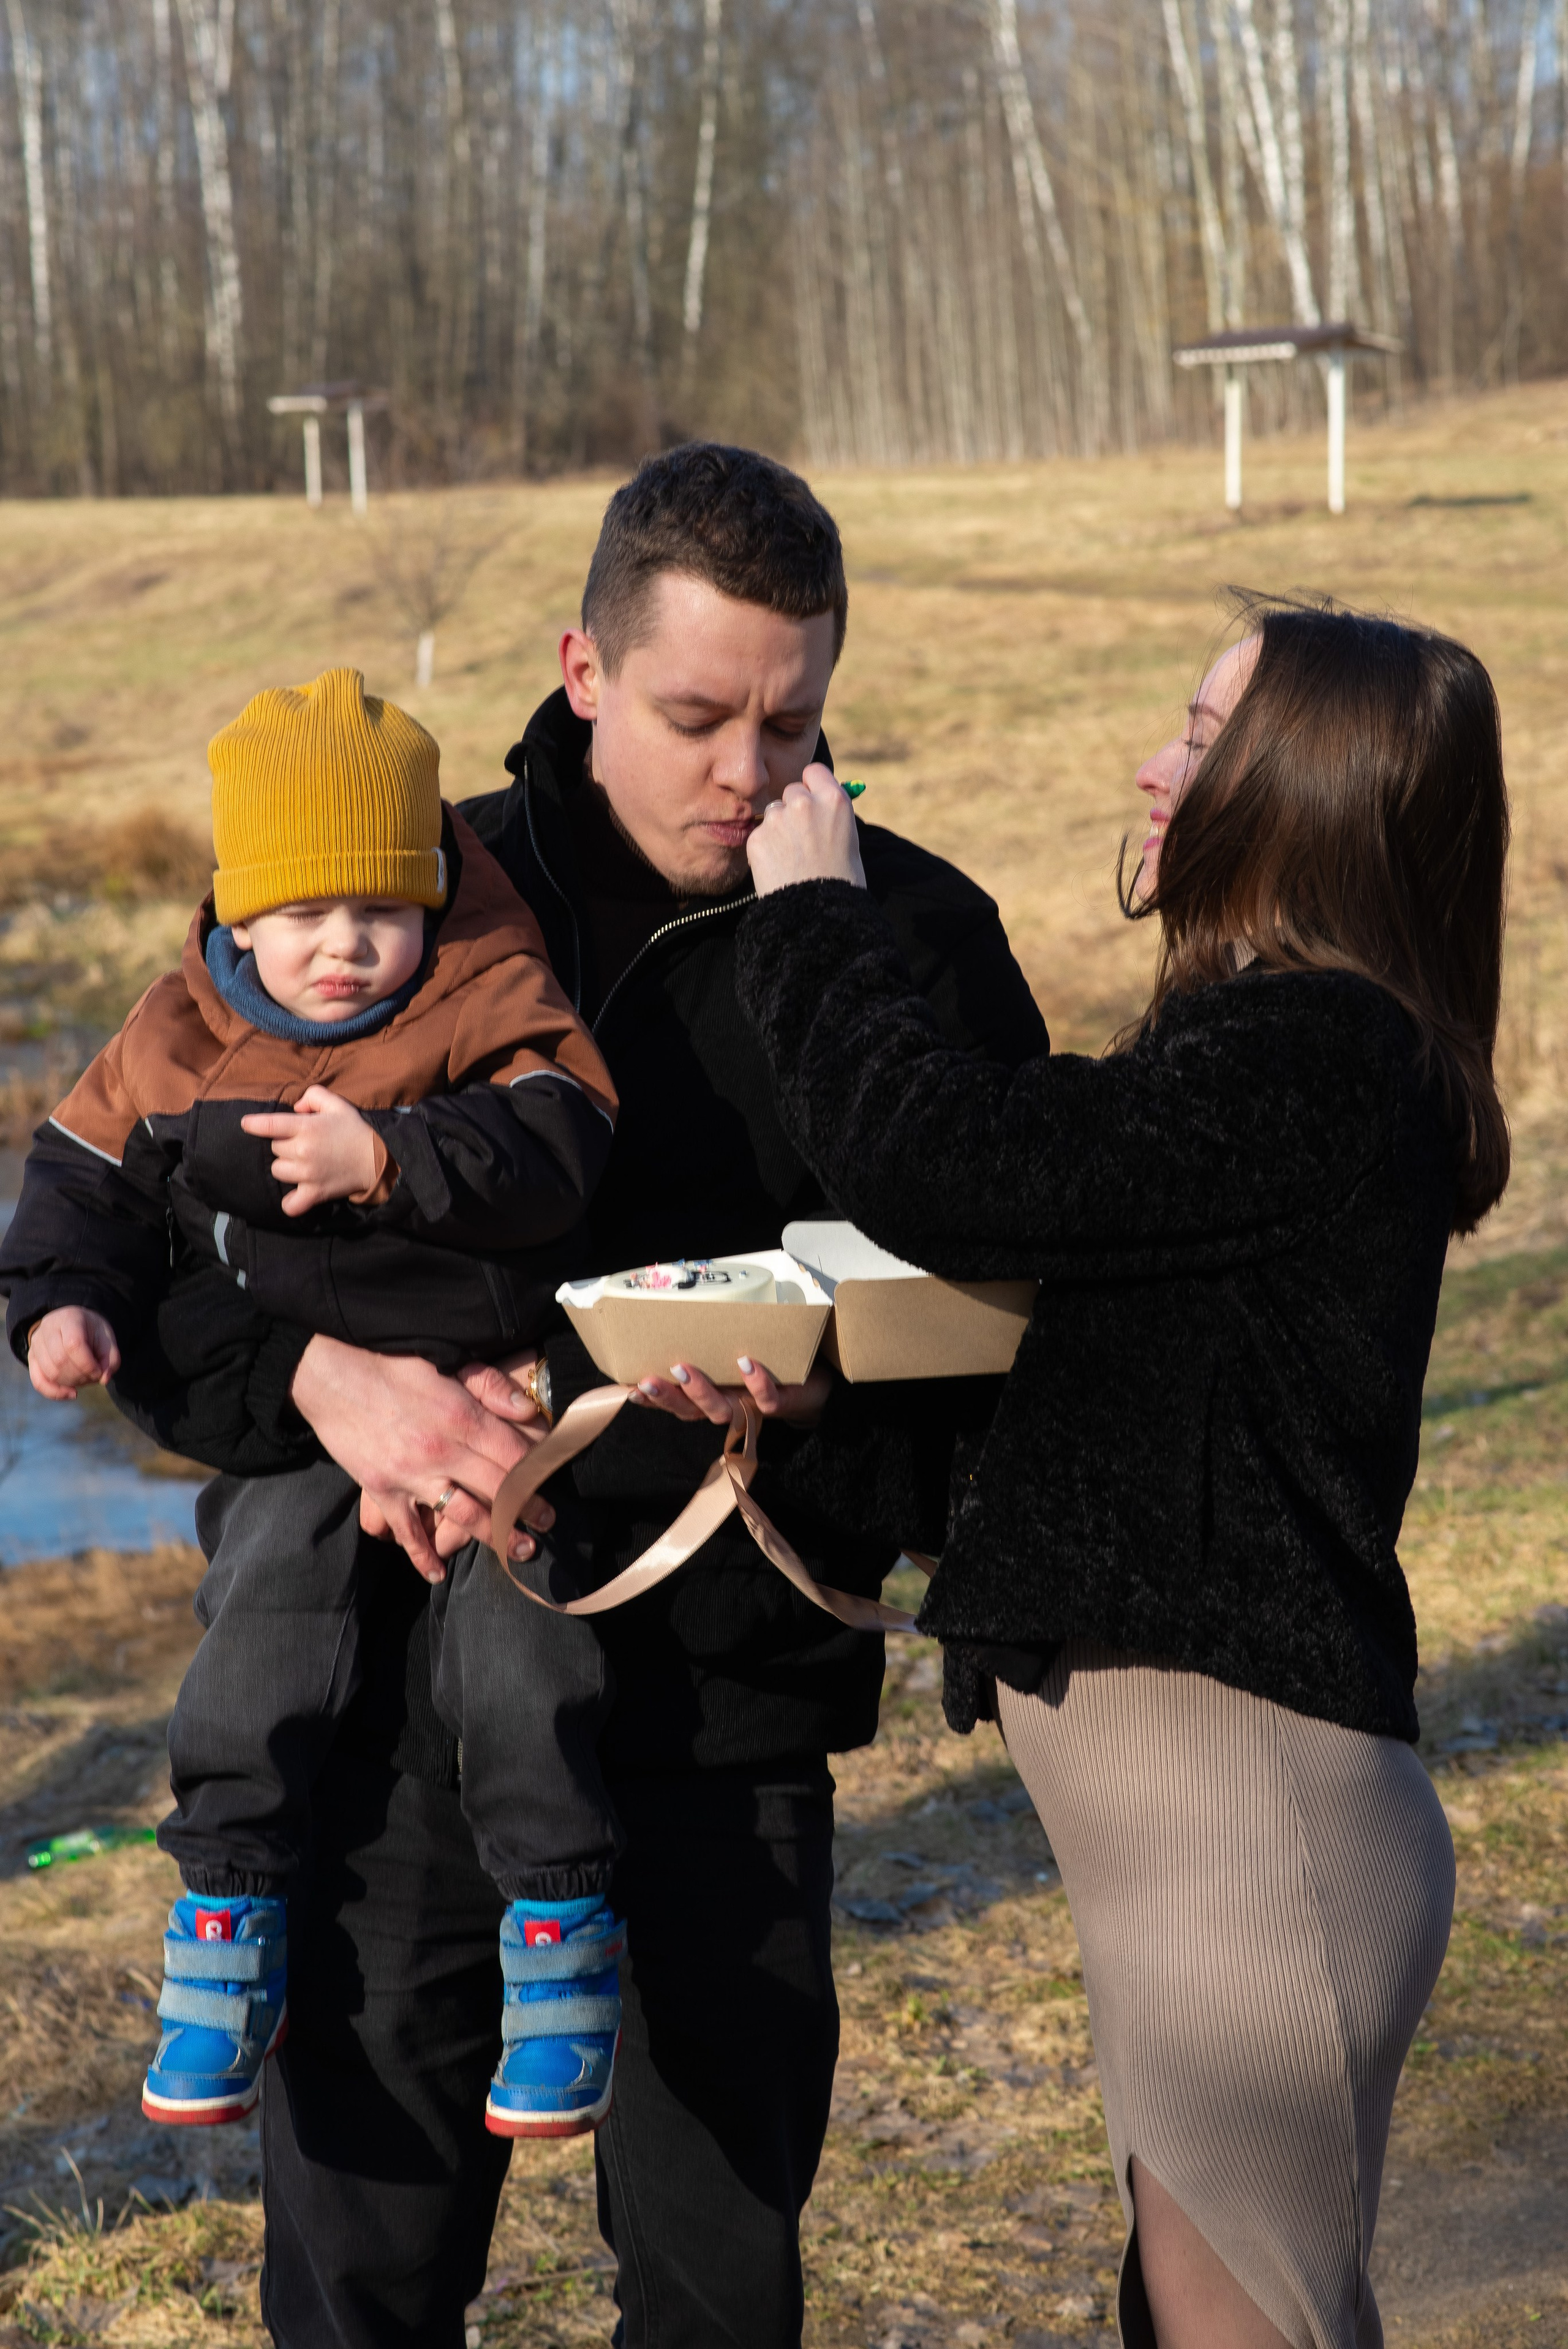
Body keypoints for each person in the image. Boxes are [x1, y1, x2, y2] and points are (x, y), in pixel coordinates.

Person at [100, 445, 1050, 2347]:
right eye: (697, 716)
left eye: (796, 722)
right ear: (585, 668)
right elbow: (127, 1253)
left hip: (730, 1720)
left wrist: (820, 1416)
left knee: (717, 2290)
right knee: (358, 2289)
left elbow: (1003, 1339)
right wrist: (320, 1378)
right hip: (394, 1711)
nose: (749, 772)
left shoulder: (915, 937)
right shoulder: (384, 903)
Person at [720, 601, 1509, 2349]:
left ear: (1305, 794)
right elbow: (1103, 1411)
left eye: (1205, 736)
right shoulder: (1273, 1053)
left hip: (1256, 1844)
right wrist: (825, 1411)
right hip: (1222, 1851)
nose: (1156, 765)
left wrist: (817, 918)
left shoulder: (1320, 1049)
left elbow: (944, 1160)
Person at [0, 666, 631, 2141]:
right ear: (236, 910)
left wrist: (395, 1156)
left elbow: (562, 1138)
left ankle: (560, 1933)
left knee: (526, 1653)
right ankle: (226, 1910)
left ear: (429, 897)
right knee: (260, 1615)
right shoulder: (173, 1036)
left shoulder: (486, 983)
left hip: (490, 1397)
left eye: (378, 910)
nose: (342, 947)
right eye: (301, 913)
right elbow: (81, 1187)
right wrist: (64, 1307)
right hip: (299, 1419)